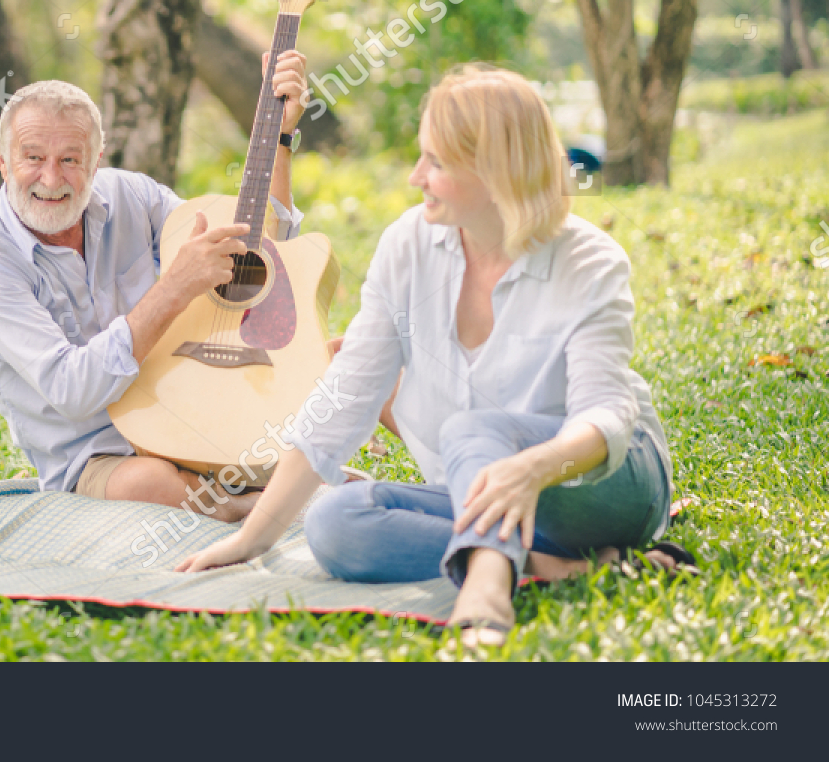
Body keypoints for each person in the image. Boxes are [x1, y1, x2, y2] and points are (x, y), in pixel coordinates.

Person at [179, 65, 693, 645]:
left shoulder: (589, 260)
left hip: (603, 486)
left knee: (476, 430)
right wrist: (253, 539)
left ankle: (487, 591)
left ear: (497, 171)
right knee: (334, 520)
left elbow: (609, 417)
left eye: (438, 163)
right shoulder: (407, 245)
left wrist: (528, 469)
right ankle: (569, 569)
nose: (415, 175)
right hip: (486, 494)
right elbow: (346, 397)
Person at [0, 53, 312, 521]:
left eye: (70, 160)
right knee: (150, 483)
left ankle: (252, 492)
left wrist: (277, 137)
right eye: (32, 158)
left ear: (97, 160)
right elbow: (71, 390)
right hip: (95, 454)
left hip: (188, 412)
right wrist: (173, 289)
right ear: (3, 159)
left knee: (328, 375)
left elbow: (254, 254)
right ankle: (251, 506)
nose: (51, 179)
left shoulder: (132, 196)